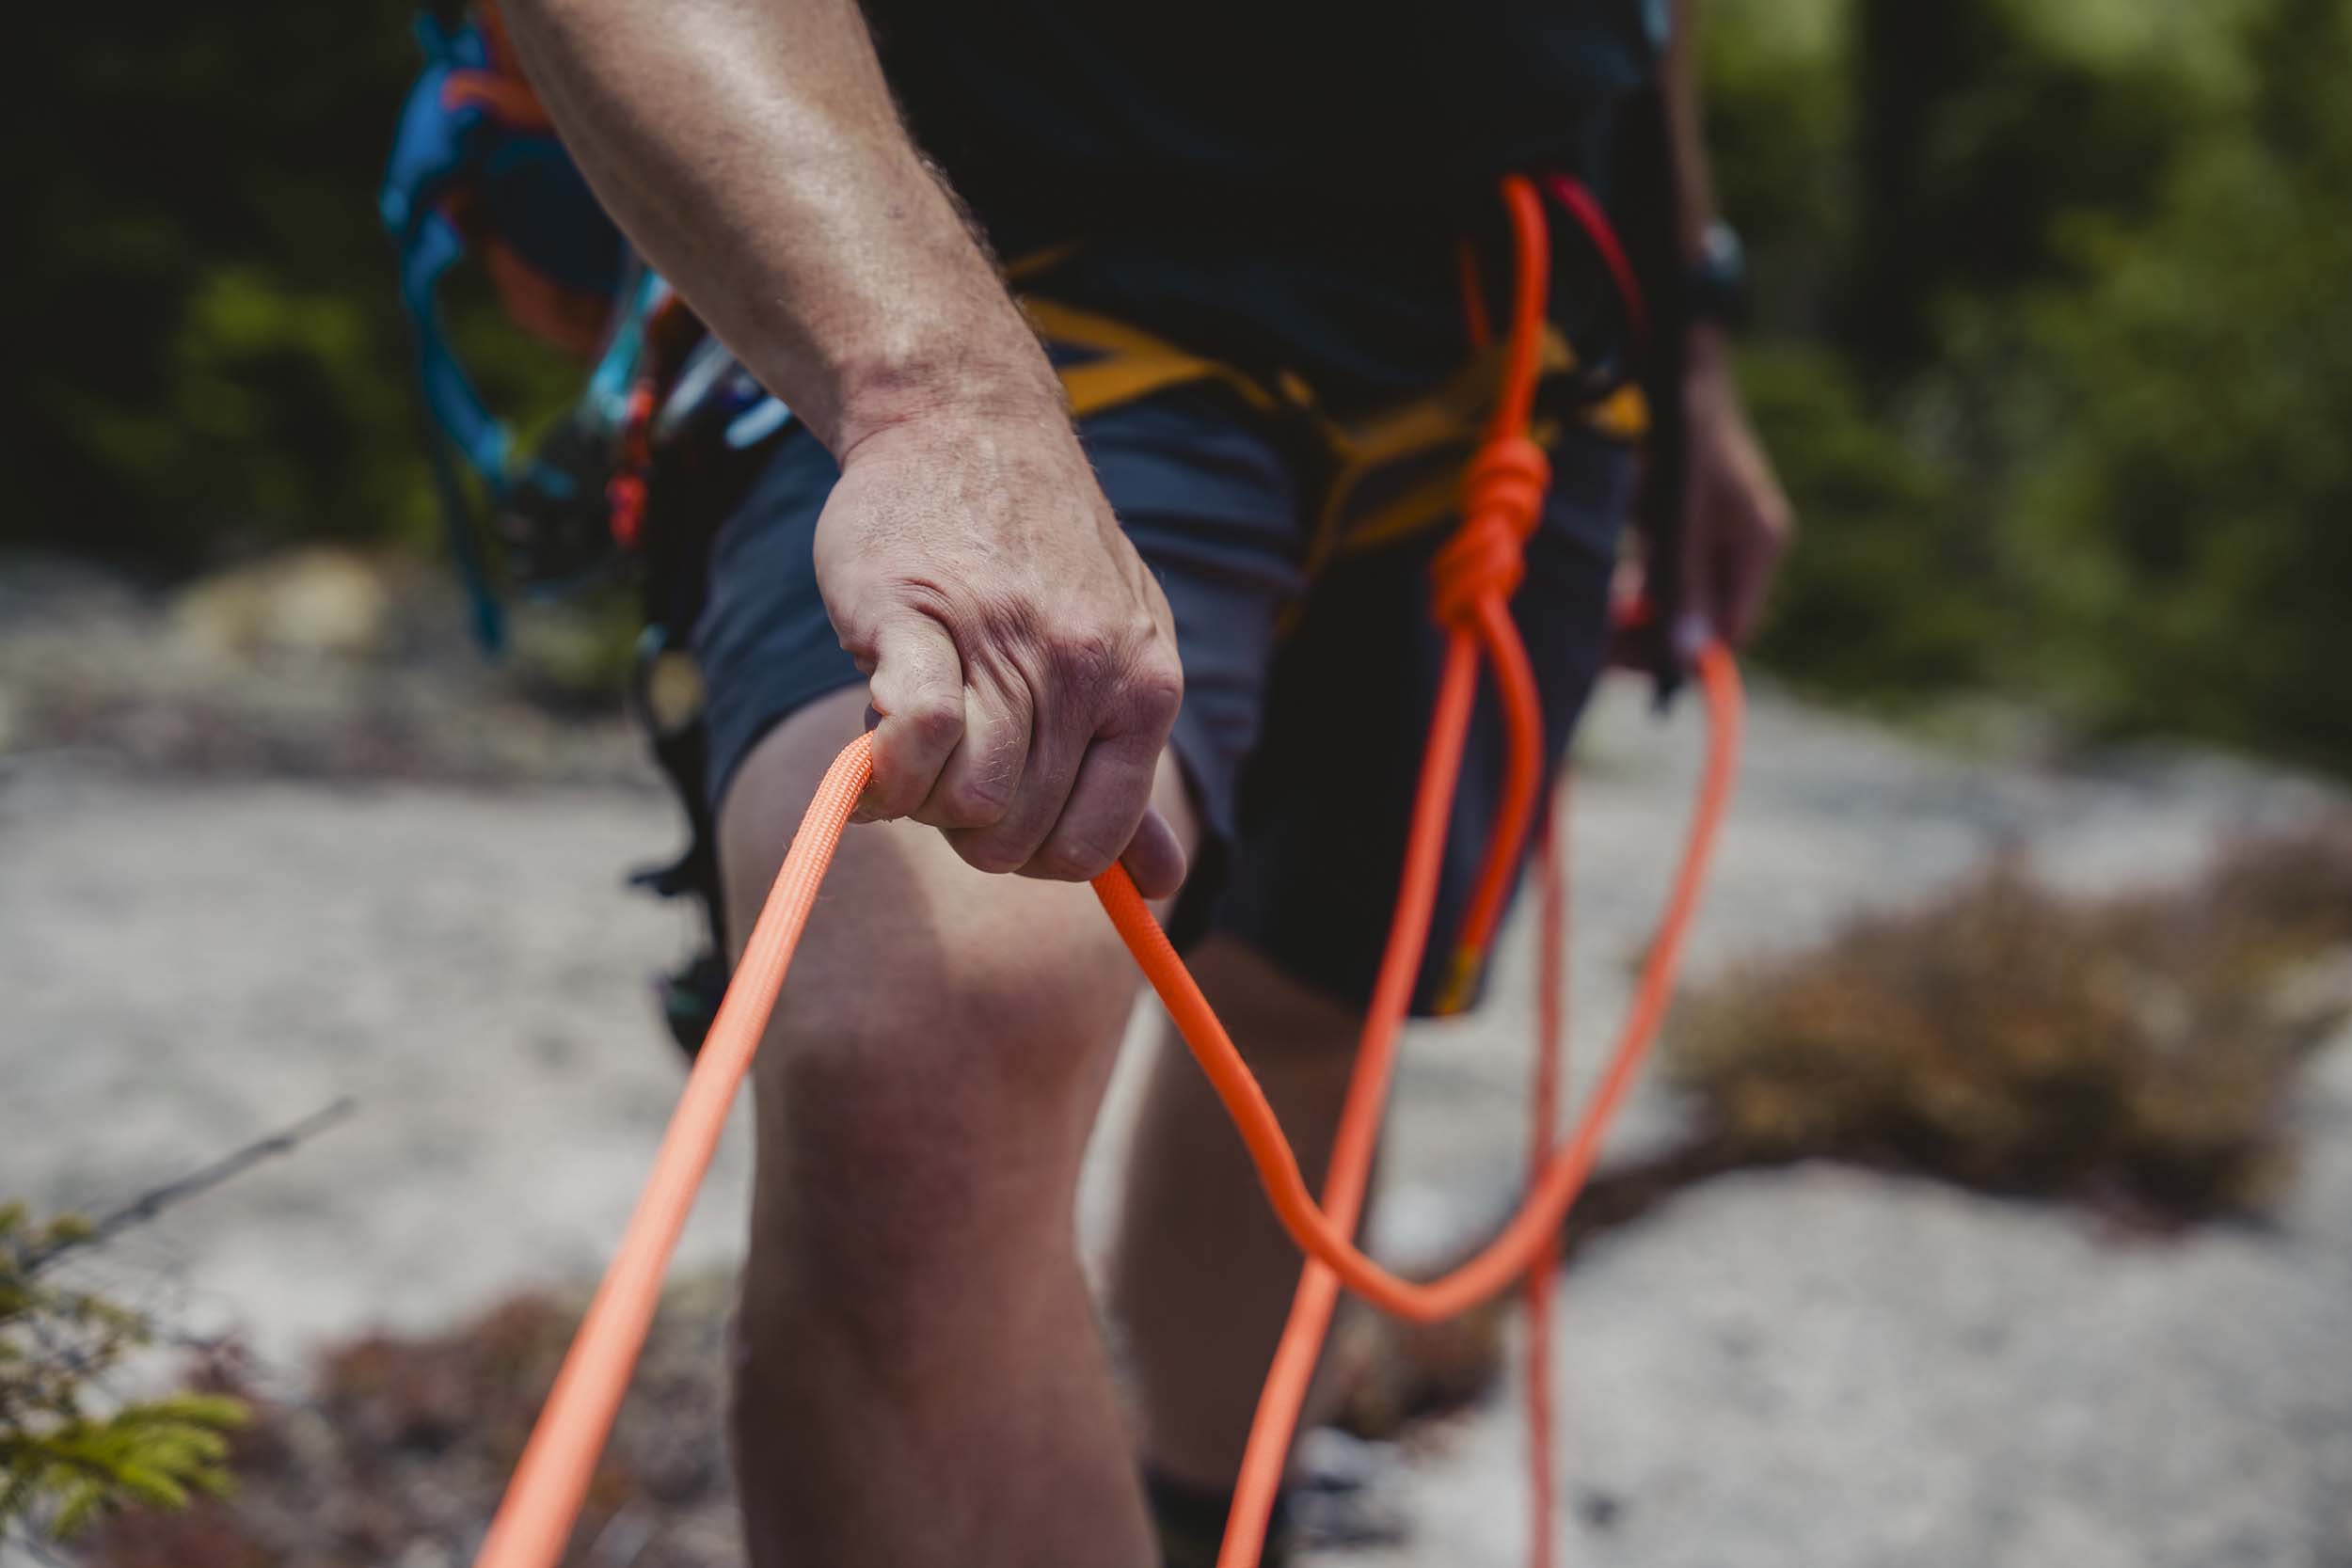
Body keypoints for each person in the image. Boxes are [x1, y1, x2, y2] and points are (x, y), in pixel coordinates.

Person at [495, 1, 1791, 1563]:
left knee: (1317, 997)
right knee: (927, 1045)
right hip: (977, 244)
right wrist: (930, 397)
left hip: (1514, 302)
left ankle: (1217, 1530)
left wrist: (1691, 334)